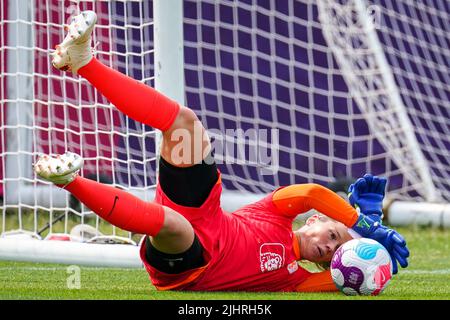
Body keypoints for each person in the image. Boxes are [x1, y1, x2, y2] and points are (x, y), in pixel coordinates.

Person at [34, 10, 409, 292]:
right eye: (333, 235)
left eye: (334, 249)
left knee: (171, 224)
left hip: (189, 266)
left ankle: (71, 181)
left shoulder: (292, 279)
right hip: (205, 212)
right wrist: (363, 222)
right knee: (184, 125)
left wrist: (376, 247)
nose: (328, 247)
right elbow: (311, 193)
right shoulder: (275, 213)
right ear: (314, 220)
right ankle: (84, 62)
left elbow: (351, 280)